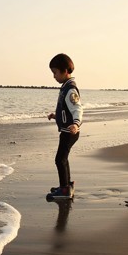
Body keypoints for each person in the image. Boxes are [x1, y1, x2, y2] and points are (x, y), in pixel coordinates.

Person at [46, 53, 83, 199]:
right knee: (63, 158)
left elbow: (77, 108)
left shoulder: (71, 90)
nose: (54, 76)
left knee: (59, 159)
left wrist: (75, 124)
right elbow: (66, 110)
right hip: (67, 129)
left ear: (65, 71)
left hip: (70, 131)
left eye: (55, 72)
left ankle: (64, 189)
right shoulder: (65, 87)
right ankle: (66, 185)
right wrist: (56, 116)